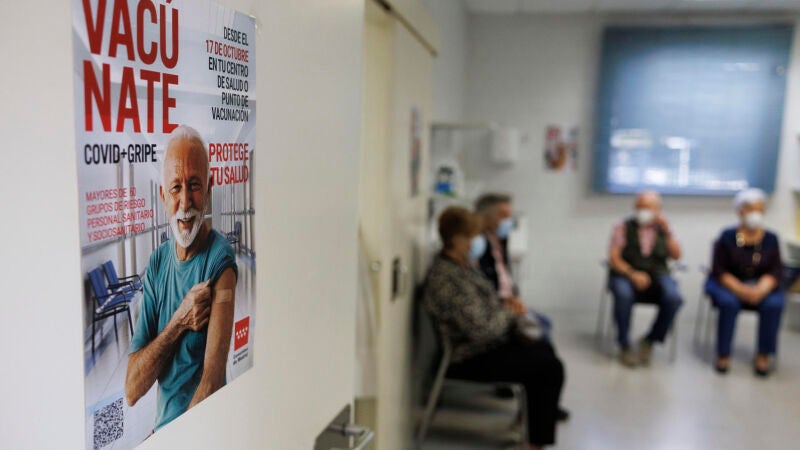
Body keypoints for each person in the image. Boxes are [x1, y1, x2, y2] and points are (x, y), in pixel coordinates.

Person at [125, 125, 238, 430]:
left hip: (198, 433)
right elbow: (132, 389)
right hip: (164, 431)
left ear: (209, 190)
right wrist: (179, 322)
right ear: (163, 196)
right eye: (176, 187)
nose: (186, 202)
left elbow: (211, 383)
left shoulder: (220, 261)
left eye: (195, 185)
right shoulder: (158, 262)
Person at [424, 206, 565, 450]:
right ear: (456, 240)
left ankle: (529, 422)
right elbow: (481, 329)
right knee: (549, 368)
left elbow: (484, 304)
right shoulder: (446, 277)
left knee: (544, 349)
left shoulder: (462, 265)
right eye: (472, 236)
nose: (477, 241)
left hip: (488, 342)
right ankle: (535, 441)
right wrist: (509, 313)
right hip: (470, 355)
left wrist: (506, 303)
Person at [705, 188, 784, 376]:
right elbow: (719, 270)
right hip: (728, 284)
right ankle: (723, 354)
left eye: (760, 210)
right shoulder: (727, 236)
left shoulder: (771, 239)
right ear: (741, 211)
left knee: (774, 304)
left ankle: (763, 355)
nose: (756, 214)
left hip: (761, 286)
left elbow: (776, 271)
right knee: (728, 302)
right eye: (751, 209)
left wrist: (761, 289)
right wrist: (741, 289)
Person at [607, 190, 683, 368]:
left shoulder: (665, 229)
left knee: (673, 297)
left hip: (657, 275)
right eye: (639, 206)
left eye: (647, 207)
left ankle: (651, 339)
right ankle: (624, 343)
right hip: (626, 274)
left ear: (658, 209)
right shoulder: (623, 226)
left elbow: (677, 255)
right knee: (623, 294)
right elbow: (614, 258)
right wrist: (632, 273)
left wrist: (667, 231)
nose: (642, 211)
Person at [474, 193, 552, 338]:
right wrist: (505, 302)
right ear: (486, 217)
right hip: (495, 309)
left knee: (544, 323)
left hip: (508, 303)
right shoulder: (476, 246)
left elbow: (505, 275)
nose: (509, 220)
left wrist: (515, 299)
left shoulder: (500, 240)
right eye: (503, 215)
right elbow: (482, 288)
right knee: (539, 329)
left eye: (509, 215)